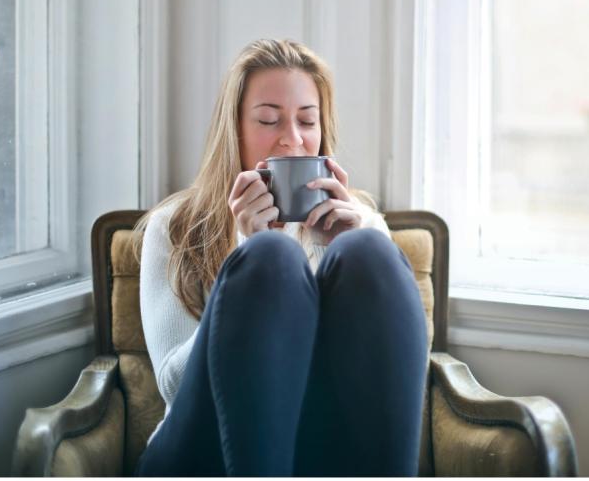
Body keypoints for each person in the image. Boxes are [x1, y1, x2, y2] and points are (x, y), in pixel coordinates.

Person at [133, 39, 428, 476]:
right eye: (269, 120)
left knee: (367, 250)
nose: (292, 140)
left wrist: (335, 253)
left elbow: (398, 382)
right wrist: (245, 252)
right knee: (270, 258)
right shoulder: (174, 226)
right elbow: (174, 387)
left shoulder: (360, 223)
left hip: (321, 447)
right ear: (233, 129)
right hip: (201, 446)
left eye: (307, 121)